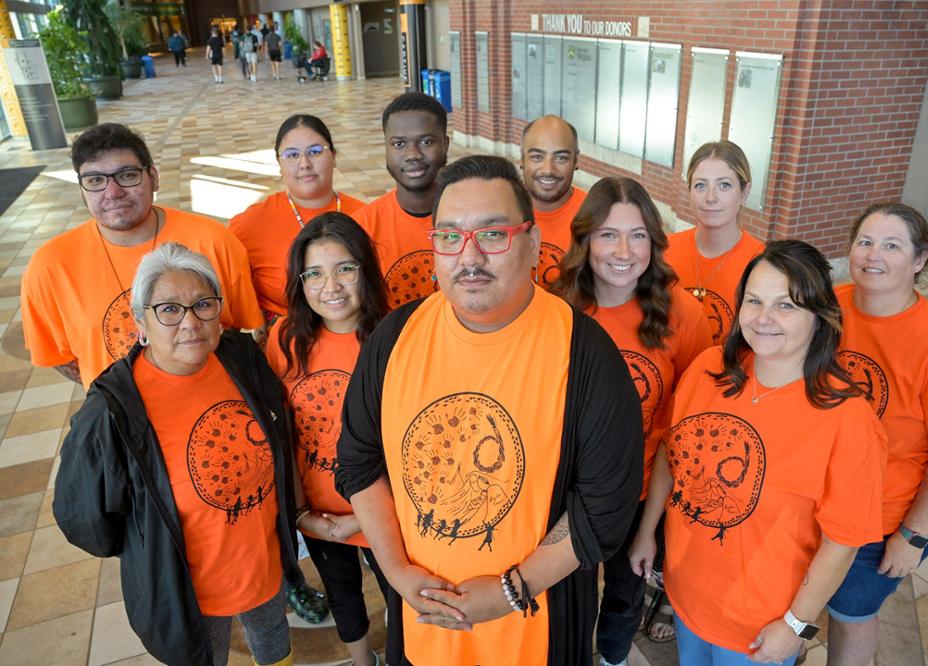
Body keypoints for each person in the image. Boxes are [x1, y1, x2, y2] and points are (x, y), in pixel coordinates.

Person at [336, 155, 644, 665]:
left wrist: (512, 589)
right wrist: (395, 571)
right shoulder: (395, 338)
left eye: (493, 235)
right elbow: (360, 460)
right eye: (450, 236)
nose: (469, 256)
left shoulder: (586, 356)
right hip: (422, 624)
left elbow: (604, 509)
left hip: (536, 630)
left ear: (533, 244)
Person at [630, 240, 886, 666]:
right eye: (754, 301)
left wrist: (796, 625)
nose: (764, 319)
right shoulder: (709, 368)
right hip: (687, 595)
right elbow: (670, 455)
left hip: (760, 625)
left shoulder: (848, 418)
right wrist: (646, 531)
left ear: (819, 317)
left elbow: (843, 542)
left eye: (786, 306)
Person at [53, 243, 303, 666]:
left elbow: (280, 436)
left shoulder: (241, 358)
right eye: (169, 309)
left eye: (203, 305)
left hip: (263, 562)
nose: (190, 323)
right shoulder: (111, 410)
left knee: (273, 635)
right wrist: (147, 543)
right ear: (141, 324)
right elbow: (85, 520)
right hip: (187, 591)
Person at [825, 203, 928, 666]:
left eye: (891, 245)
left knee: (849, 615)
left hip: (876, 524)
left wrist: (913, 535)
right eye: (865, 241)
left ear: (919, 262)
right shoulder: (826, 309)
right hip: (809, 501)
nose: (873, 254)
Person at [553, 176, 712, 665]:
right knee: (567, 592)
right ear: (585, 241)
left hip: (643, 489)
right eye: (608, 234)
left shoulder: (683, 313)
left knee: (625, 592)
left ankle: (615, 657)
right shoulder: (555, 309)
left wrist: (651, 523)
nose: (624, 250)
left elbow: (691, 422)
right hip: (568, 490)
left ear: (654, 242)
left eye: (638, 234)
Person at [20, 122, 262, 389]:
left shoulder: (214, 241)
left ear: (153, 177)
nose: (112, 192)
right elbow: (57, 355)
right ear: (81, 189)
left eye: (127, 175)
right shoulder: (49, 266)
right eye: (95, 180)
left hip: (211, 398)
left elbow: (236, 327)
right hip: (120, 420)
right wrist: (116, 395)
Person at [265, 214, 392, 666]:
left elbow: (409, 445)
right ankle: (363, 661)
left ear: (365, 270)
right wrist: (302, 515)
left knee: (401, 598)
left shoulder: (394, 336)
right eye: (314, 273)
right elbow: (281, 436)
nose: (330, 286)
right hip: (317, 515)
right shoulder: (285, 338)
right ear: (300, 282)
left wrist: (362, 519)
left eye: (344, 268)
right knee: (342, 596)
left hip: (382, 512)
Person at [230, 114, 364, 323]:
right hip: (282, 344)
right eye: (292, 155)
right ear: (279, 163)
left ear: (334, 156)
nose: (305, 164)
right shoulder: (249, 225)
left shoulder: (366, 216)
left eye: (315, 152)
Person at [354, 92, 450, 309]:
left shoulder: (474, 217)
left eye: (426, 141)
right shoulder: (362, 228)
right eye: (399, 144)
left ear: (445, 144)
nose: (412, 154)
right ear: (386, 149)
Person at [665, 140, 765, 345]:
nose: (711, 197)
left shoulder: (762, 263)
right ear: (690, 191)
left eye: (724, 185)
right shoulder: (664, 250)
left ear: (744, 192)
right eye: (700, 185)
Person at [520, 115, 587, 288]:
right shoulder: (500, 207)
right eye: (537, 157)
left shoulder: (596, 213)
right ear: (522, 159)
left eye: (561, 158)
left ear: (576, 161)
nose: (548, 170)